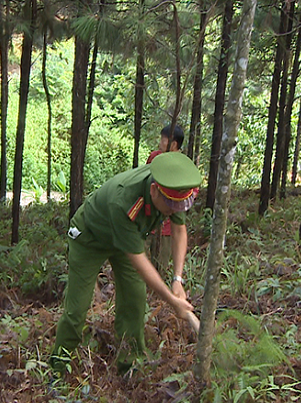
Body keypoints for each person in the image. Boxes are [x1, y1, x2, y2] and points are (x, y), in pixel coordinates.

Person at [50, 152, 201, 375]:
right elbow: (139, 261)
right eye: (169, 206)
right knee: (77, 309)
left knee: (135, 301)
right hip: (90, 238)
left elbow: (179, 230)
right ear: (153, 191)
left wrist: (177, 279)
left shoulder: (172, 187)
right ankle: (58, 368)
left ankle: (130, 367)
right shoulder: (124, 200)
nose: (172, 211)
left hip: (127, 240)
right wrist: (171, 300)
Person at [146, 125, 185, 272]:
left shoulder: (182, 166)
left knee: (159, 269)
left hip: (167, 228)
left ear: (173, 144)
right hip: (147, 221)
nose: (160, 143)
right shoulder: (154, 157)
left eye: (163, 140)